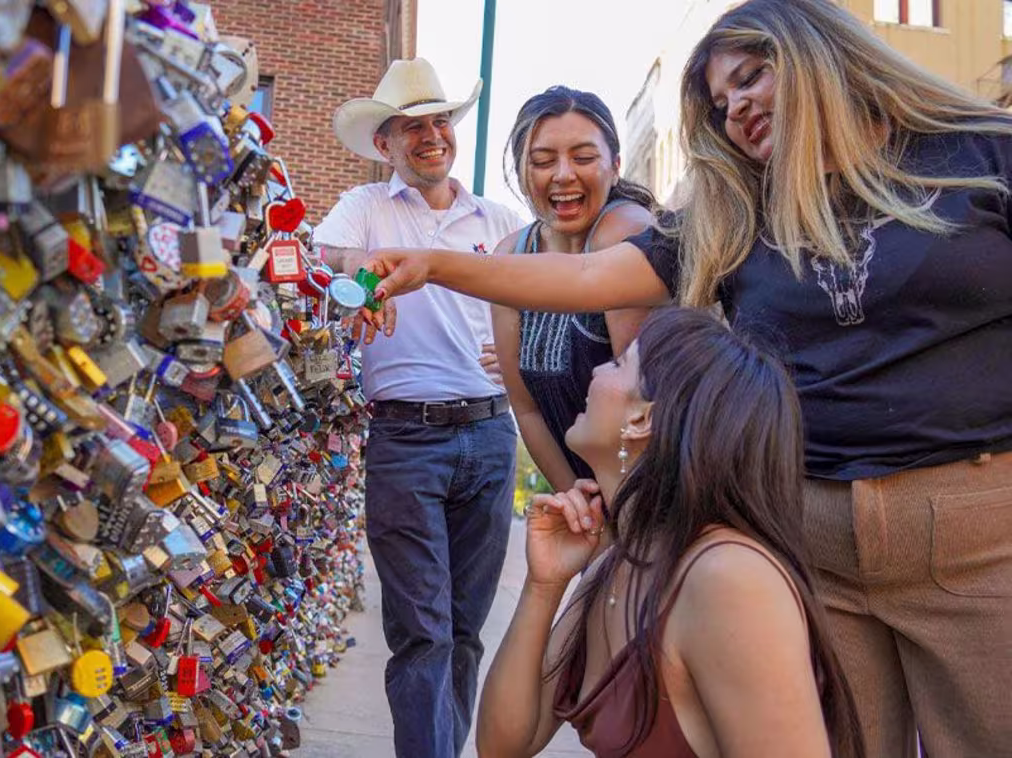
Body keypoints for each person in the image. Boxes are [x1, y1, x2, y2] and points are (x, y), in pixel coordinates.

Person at [360, 2, 1012, 755]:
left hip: (980, 538)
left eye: (750, 77)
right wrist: (435, 265)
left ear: (820, 53)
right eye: (720, 101)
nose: (736, 108)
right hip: (811, 541)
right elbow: (589, 279)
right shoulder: (732, 211)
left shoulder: (982, 155)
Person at [477, 307, 862, 758]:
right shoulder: (617, 560)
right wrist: (544, 585)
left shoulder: (729, 577)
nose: (598, 367)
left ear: (644, 419)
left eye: (619, 363)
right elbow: (503, 745)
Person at [311, 58, 524, 758]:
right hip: (407, 441)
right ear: (386, 145)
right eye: (413, 128)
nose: (432, 136)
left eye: (440, 122)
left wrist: (520, 348)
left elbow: (554, 289)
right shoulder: (365, 208)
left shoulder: (498, 218)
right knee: (422, 632)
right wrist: (362, 275)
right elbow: (323, 257)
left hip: (492, 434)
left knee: (464, 631)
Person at [494, 87, 655, 491]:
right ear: (522, 173)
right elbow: (527, 408)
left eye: (583, 158)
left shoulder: (625, 232)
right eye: (543, 161)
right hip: (583, 492)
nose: (563, 174)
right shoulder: (511, 253)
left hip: (646, 483)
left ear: (616, 166)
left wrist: (620, 515)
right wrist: (578, 505)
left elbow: (640, 405)